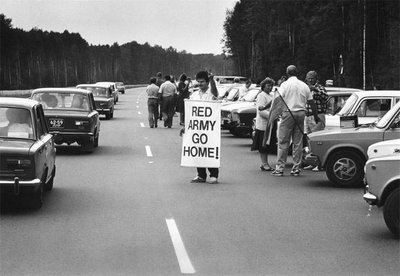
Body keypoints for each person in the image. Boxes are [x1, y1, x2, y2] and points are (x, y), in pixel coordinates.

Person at [271, 65, 320, 177]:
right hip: (301, 113)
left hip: (289, 112)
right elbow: (311, 102)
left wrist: (276, 113)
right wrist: (315, 116)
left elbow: (279, 99)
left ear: (287, 73)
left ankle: (280, 168)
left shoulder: (285, 85)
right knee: (298, 142)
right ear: (297, 73)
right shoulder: (304, 85)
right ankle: (296, 168)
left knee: (283, 141)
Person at [189, 70, 219, 184]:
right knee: (198, 151)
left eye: (202, 82)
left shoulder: (211, 93)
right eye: (198, 82)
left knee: (209, 150)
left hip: (209, 128)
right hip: (197, 128)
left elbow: (215, 93)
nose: (200, 84)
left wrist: (212, 80)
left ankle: (214, 175)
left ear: (207, 82)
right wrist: (187, 127)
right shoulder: (194, 95)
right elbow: (190, 111)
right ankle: (201, 175)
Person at [303, 71, 328, 171]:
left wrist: (315, 89)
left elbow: (325, 97)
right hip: (308, 116)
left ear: (316, 79)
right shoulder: (305, 88)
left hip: (317, 116)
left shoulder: (320, 88)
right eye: (308, 78)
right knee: (310, 141)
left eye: (312, 78)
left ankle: (320, 163)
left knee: (318, 140)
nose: (310, 80)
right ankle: (312, 162)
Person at [251, 78, 274, 171]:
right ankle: (264, 163)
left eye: (271, 85)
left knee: (266, 145)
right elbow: (261, 111)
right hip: (263, 125)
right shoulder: (261, 95)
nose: (270, 87)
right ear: (263, 86)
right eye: (268, 85)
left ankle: (265, 163)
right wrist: (272, 116)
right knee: (263, 145)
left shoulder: (271, 95)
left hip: (270, 125)